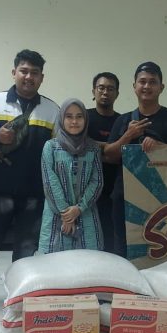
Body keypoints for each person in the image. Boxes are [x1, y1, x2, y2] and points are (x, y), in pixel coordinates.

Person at [0, 50, 59, 317]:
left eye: (34, 73)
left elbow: (59, 148)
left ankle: (19, 298)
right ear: (14, 72)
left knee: (26, 250)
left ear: (42, 77)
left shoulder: (52, 110)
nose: (29, 77)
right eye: (24, 71)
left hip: (34, 193)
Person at [105, 62, 167, 257]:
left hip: (163, 199)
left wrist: (161, 149)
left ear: (161, 87)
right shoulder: (123, 120)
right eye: (142, 81)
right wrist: (128, 136)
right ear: (134, 86)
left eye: (152, 82)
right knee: (123, 250)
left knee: (160, 250)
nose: (147, 86)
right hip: (125, 198)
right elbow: (109, 155)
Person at [38, 99, 103, 253]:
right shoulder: (51, 147)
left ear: (85, 120)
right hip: (56, 215)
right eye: (69, 116)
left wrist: (79, 209)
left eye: (79, 116)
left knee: (89, 262)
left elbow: (97, 181)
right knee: (54, 262)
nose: (74, 121)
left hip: (86, 212)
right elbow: (50, 182)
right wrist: (66, 215)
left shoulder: (93, 148)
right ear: (62, 119)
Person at [86, 72, 120, 253]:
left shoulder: (123, 120)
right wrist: (110, 149)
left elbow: (121, 154)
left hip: (113, 189)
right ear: (93, 91)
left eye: (110, 89)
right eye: (101, 88)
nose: (105, 92)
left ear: (117, 94)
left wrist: (97, 148)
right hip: (86, 189)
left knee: (110, 240)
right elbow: (80, 146)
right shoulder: (83, 117)